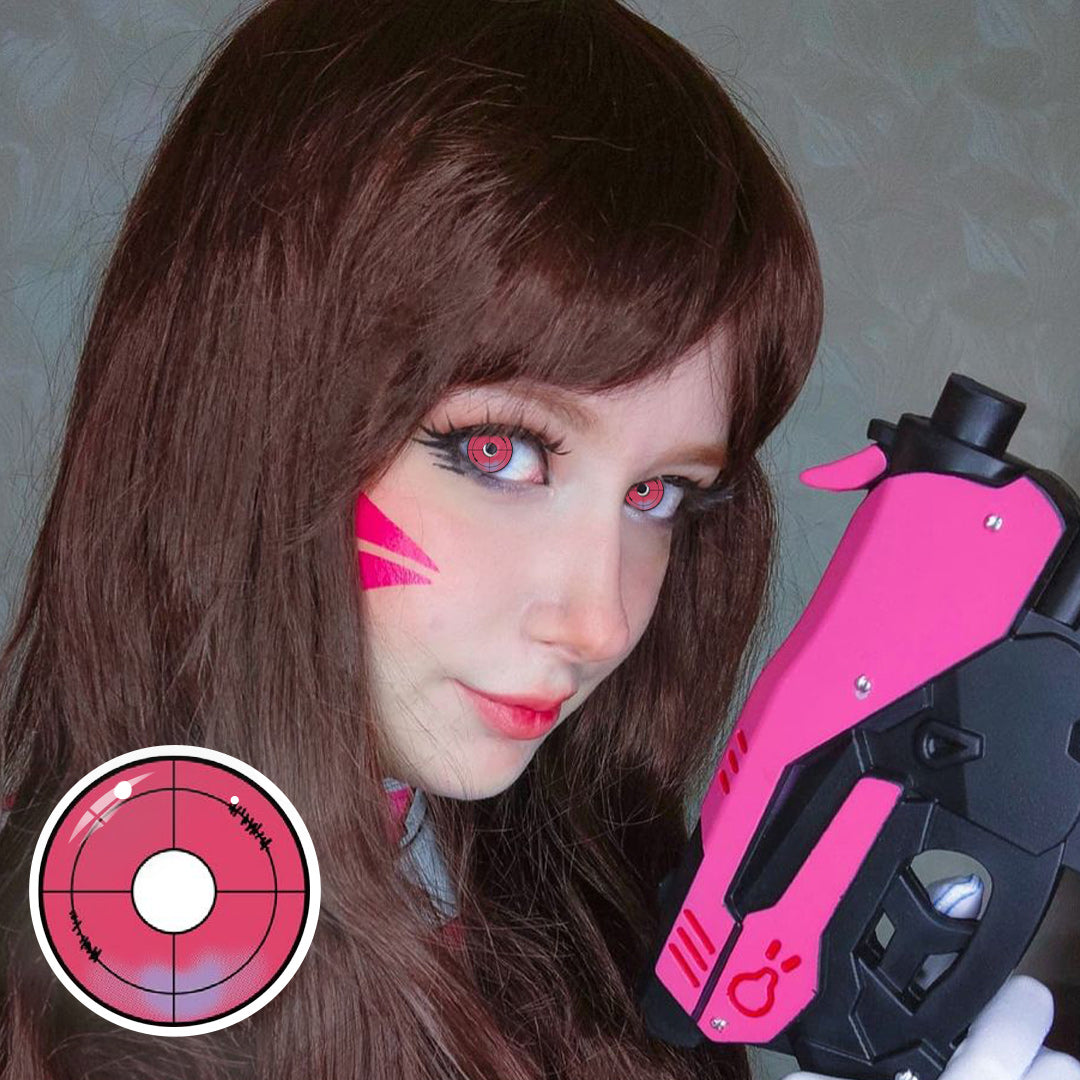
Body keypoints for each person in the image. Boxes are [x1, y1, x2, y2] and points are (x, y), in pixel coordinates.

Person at [0, 2, 1074, 1079]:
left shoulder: (570, 893)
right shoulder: (71, 982)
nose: (600, 623)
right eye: (499, 453)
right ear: (249, 409)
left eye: (657, 492)